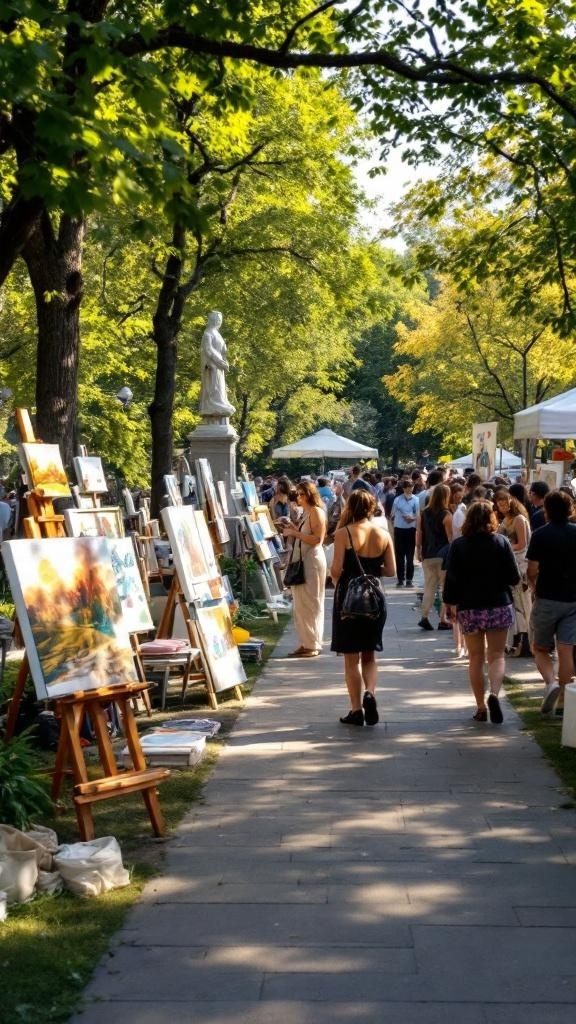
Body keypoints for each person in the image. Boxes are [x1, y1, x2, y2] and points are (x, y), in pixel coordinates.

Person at [443, 500, 520, 723]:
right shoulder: (501, 542)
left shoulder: (458, 545)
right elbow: (513, 577)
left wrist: (450, 603)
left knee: (475, 658)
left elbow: (451, 579)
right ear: (492, 519)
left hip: (470, 607)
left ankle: (479, 706)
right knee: (496, 655)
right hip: (498, 604)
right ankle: (494, 694)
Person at [330, 490, 396, 726]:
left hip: (349, 599)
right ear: (371, 508)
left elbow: (336, 570)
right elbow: (391, 570)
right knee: (369, 655)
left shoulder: (343, 533)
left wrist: (342, 580)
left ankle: (356, 709)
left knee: (351, 659)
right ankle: (371, 692)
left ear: (351, 507)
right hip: (375, 601)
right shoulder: (383, 534)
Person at [526, 489, 576, 715]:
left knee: (539, 647)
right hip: (573, 599)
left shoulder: (540, 534)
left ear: (547, 510)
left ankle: (550, 682)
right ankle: (564, 699)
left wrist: (534, 586)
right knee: (566, 651)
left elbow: (532, 569)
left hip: (547, 597)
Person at [281, 480, 327, 657]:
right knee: (300, 604)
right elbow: (305, 535)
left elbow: (317, 539)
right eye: (297, 494)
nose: (298, 497)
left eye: (301, 494)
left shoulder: (316, 511)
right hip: (303, 559)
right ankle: (306, 642)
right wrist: (292, 527)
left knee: (311, 602)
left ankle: (313, 644)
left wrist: (294, 533)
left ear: (310, 494)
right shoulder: (307, 512)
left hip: (312, 561)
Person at [494, 488, 532, 657]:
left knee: (523, 605)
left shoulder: (518, 519)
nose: (502, 506)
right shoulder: (506, 519)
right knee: (515, 606)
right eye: (499, 504)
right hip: (510, 563)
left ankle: (526, 641)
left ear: (511, 501)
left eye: (504, 503)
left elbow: (523, 544)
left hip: (520, 565)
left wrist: (505, 547)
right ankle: (518, 641)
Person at [415, 483, 453, 630]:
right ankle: (443, 619)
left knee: (429, 587)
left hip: (428, 554)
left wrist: (418, 550)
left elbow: (419, 533)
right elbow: (450, 539)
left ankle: (424, 616)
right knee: (445, 587)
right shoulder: (446, 514)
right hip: (443, 555)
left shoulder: (423, 513)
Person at [198, 310, 236, 417]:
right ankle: (213, 405)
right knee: (213, 386)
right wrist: (220, 362)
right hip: (212, 366)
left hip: (219, 366)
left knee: (219, 386)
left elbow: (223, 350)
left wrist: (224, 361)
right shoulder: (208, 333)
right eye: (217, 319)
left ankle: (221, 402)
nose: (219, 321)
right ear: (212, 320)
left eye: (220, 319)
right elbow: (208, 350)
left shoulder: (217, 334)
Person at [391, 478, 419, 587]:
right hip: (399, 529)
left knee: (410, 555)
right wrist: (401, 515)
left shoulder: (416, 499)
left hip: (411, 529)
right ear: (403, 488)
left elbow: (417, 514)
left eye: (411, 487)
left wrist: (412, 518)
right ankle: (400, 579)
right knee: (399, 556)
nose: (409, 489)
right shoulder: (397, 500)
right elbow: (392, 513)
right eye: (407, 487)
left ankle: (409, 579)